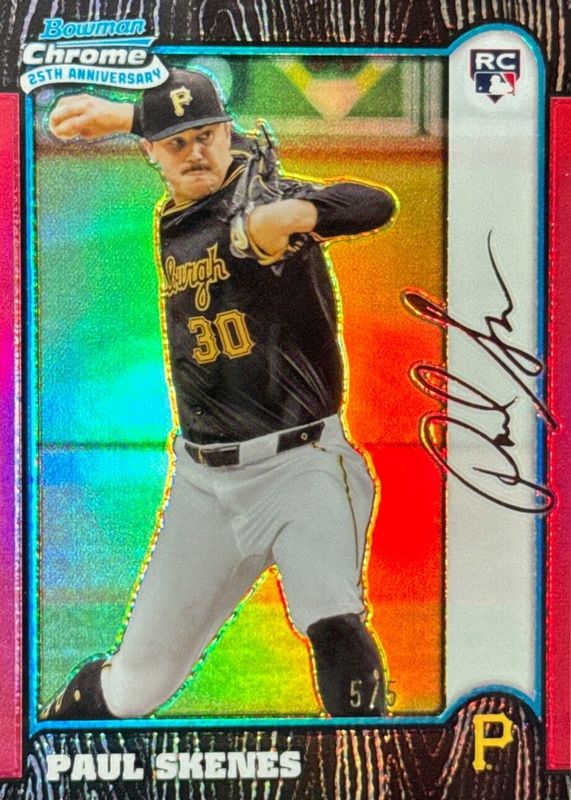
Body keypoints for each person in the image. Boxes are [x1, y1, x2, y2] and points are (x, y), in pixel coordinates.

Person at [42, 68, 397, 720]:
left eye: (207, 135)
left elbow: (375, 204)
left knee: (332, 618)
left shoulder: (265, 199)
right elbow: (186, 145)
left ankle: (369, 761)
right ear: (151, 151)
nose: (196, 152)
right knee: (134, 688)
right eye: (176, 143)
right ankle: (44, 745)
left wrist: (299, 214)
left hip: (302, 466)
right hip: (202, 485)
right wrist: (124, 116)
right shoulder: (177, 213)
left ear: (227, 132)